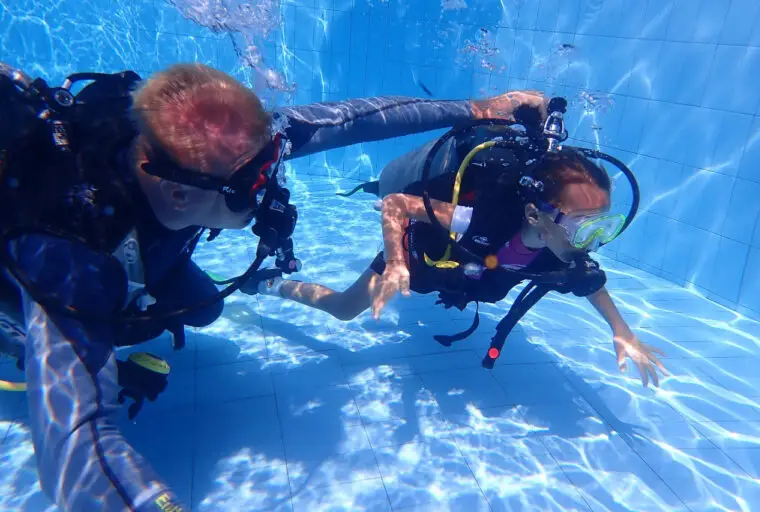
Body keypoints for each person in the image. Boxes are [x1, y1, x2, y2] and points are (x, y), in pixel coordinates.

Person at [0, 60, 544, 512]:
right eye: (249, 191)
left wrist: (475, 109)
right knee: (104, 336)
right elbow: (74, 443)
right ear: (181, 196)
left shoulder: (236, 146)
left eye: (269, 171)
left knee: (201, 310)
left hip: (154, 254)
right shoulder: (71, 257)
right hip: (41, 284)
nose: (267, 196)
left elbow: (359, 118)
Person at [251, 114, 670, 389]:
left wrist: (622, 330)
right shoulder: (482, 218)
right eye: (583, 227)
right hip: (417, 258)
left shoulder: (562, 248)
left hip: (469, 272)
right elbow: (396, 204)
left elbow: (590, 284)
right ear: (535, 213)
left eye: (602, 227)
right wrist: (397, 264)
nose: (589, 241)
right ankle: (271, 284)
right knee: (344, 309)